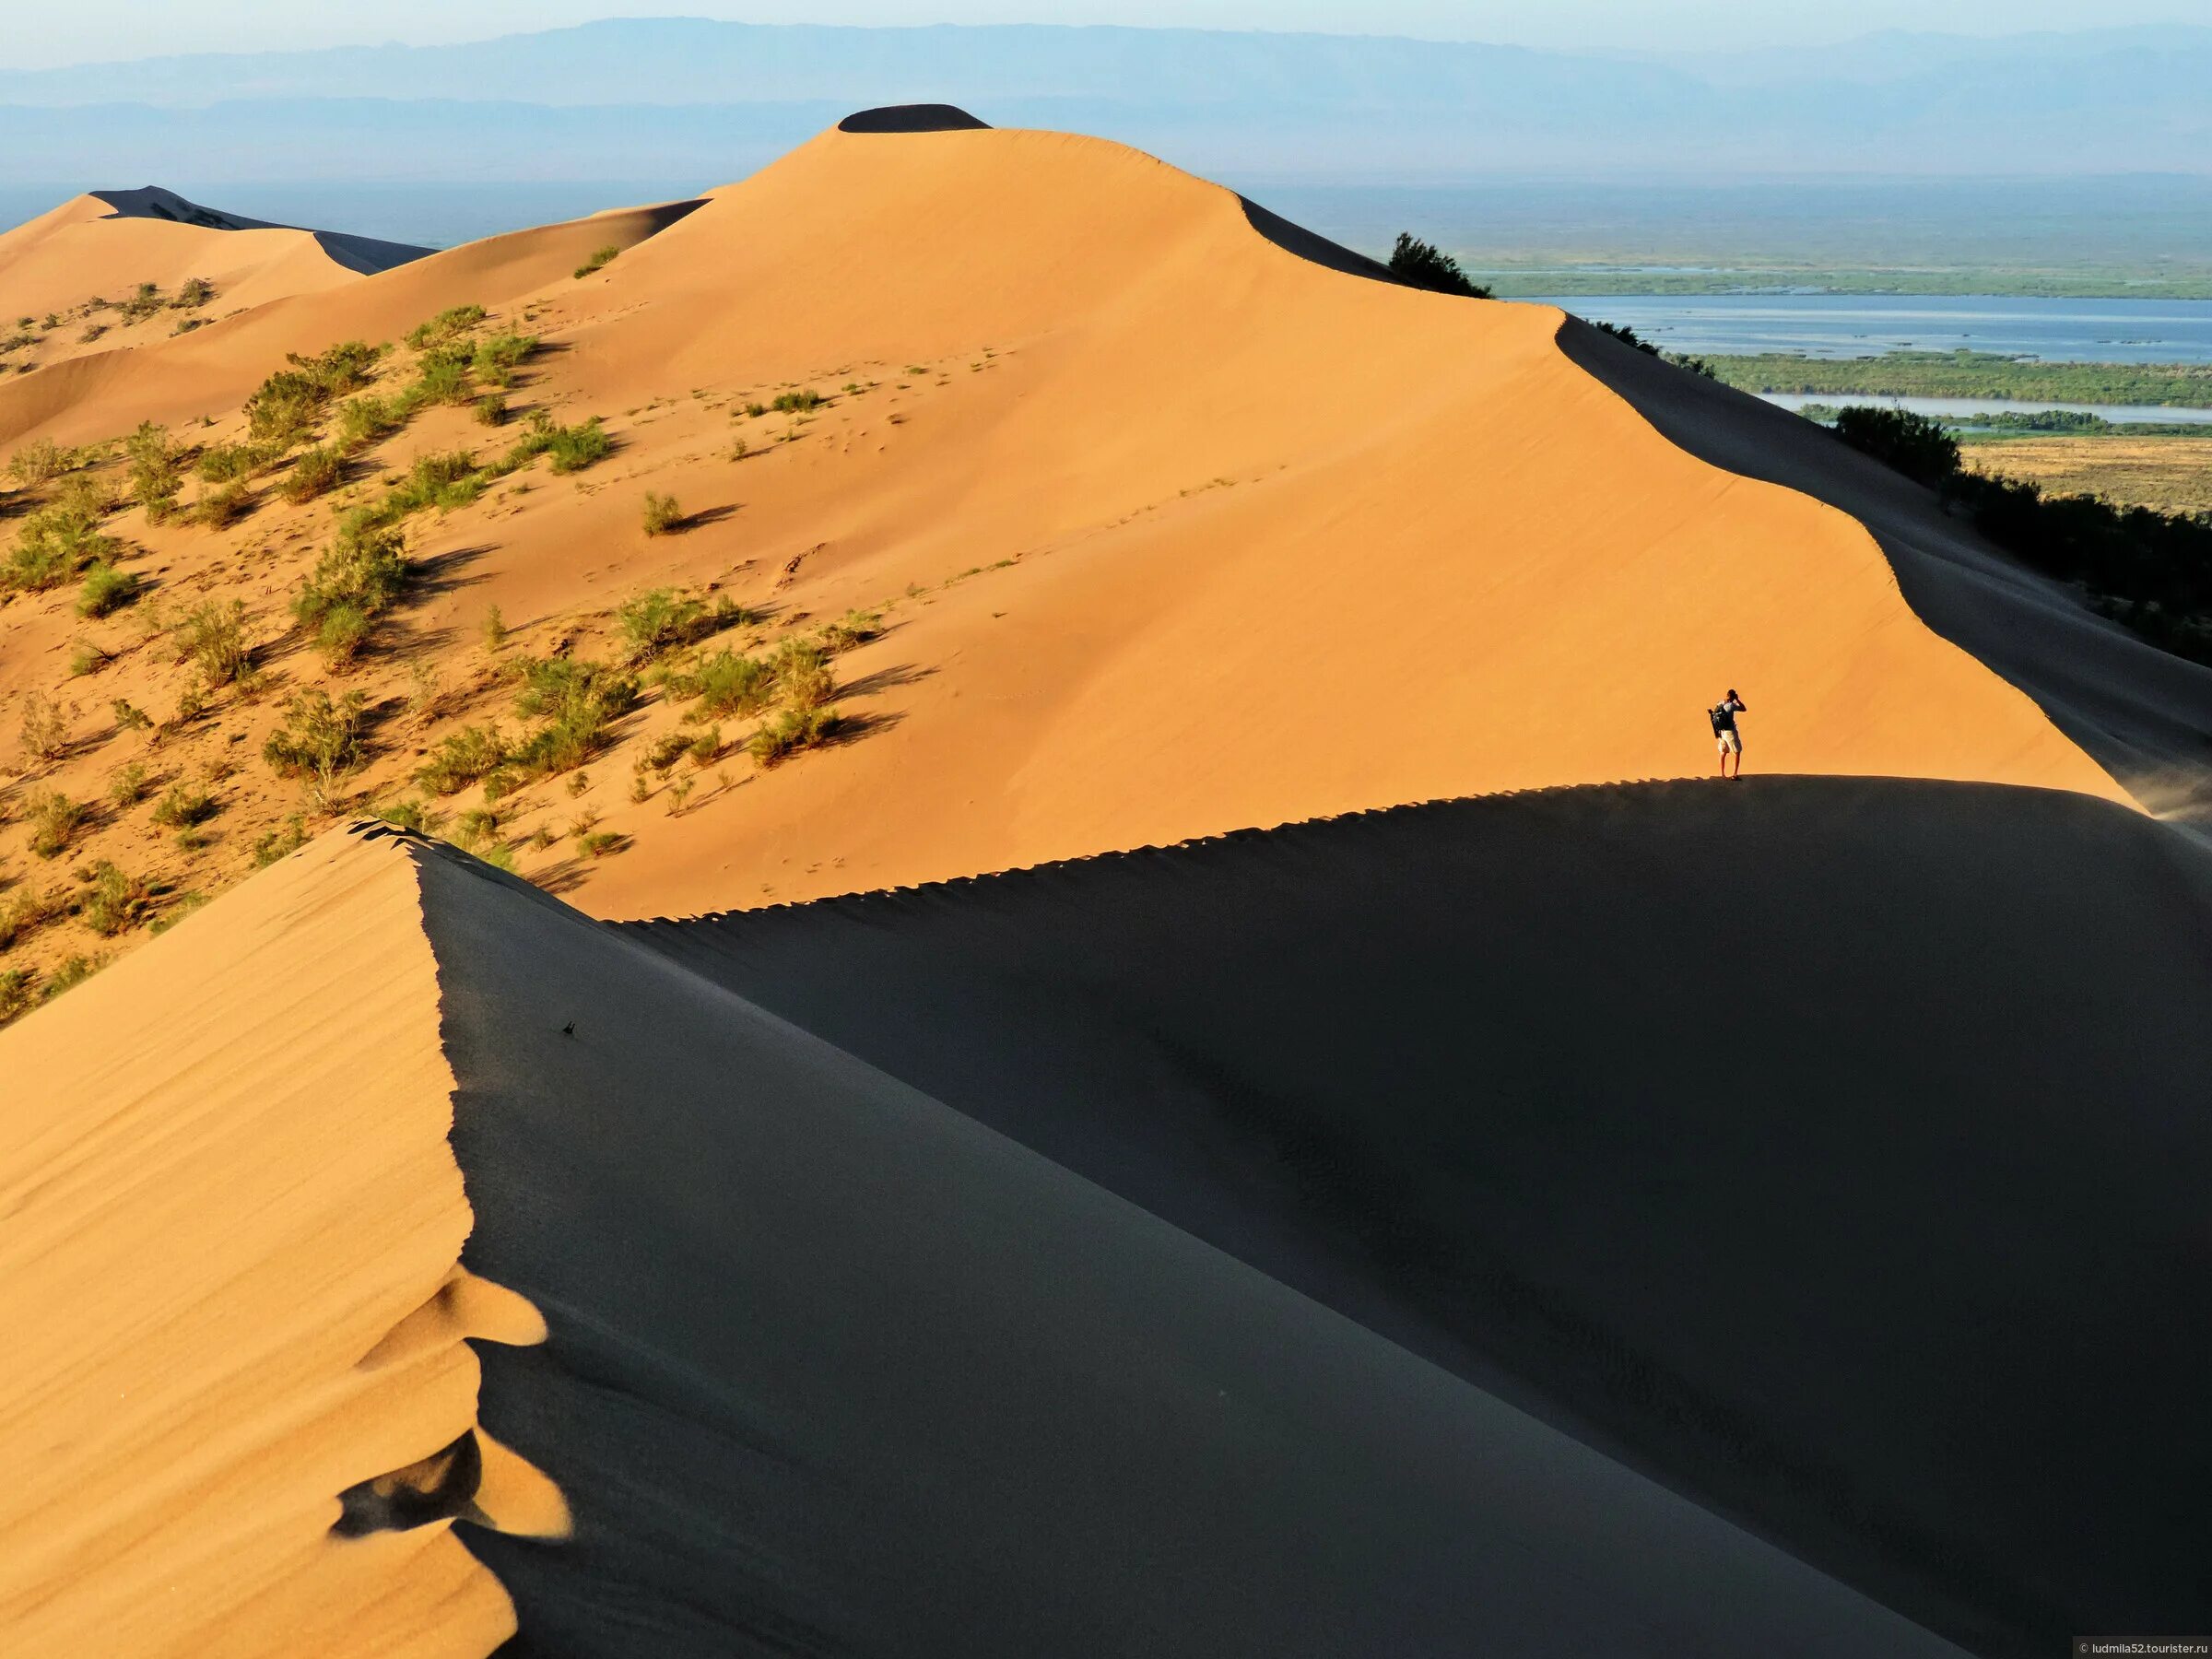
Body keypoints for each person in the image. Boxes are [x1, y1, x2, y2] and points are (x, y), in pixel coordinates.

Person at [1710, 688, 1747, 779]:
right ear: (1733, 697)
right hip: (1730, 732)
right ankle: (1735, 774)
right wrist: (1738, 700)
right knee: (1737, 752)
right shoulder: (1732, 705)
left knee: (1723, 752)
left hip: (1721, 733)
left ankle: (1722, 774)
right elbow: (1744, 709)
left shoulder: (1720, 703)